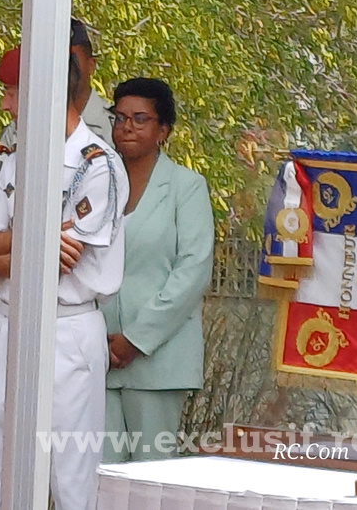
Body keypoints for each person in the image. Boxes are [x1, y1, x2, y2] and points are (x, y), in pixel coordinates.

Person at [0, 46, 128, 510]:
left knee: (70, 479)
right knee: (2, 471)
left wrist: (2, 256)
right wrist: (34, 241)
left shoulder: (97, 163)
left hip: (67, 327)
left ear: (43, 92)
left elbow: (60, 260)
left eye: (12, 92)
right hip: (7, 319)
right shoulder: (15, 160)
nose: (5, 104)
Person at [101, 78, 213, 462]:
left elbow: (193, 271)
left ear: (163, 130)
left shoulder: (186, 186)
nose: (127, 127)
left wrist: (135, 339)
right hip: (98, 355)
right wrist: (102, 339)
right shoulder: (98, 184)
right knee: (97, 479)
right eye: (119, 118)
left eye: (140, 119)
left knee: (150, 478)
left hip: (158, 359)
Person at [0, 18, 111, 150]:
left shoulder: (114, 126)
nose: (60, 65)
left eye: (69, 59)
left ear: (91, 65)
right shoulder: (16, 129)